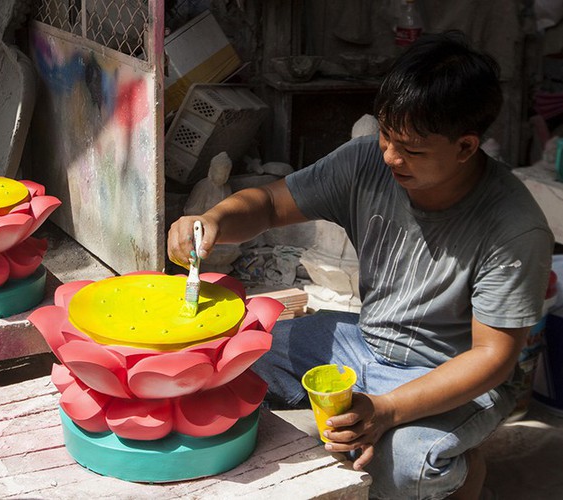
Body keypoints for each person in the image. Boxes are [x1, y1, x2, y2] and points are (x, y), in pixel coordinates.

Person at [167, 31, 554, 500]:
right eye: (388, 136)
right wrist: (212, 220)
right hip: (365, 343)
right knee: (229, 355)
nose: (391, 156)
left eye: (411, 149)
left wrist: (387, 410)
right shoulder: (367, 162)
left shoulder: (514, 228)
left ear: (466, 147)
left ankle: (466, 474)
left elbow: (492, 358)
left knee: (408, 467)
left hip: (451, 376)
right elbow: (269, 205)